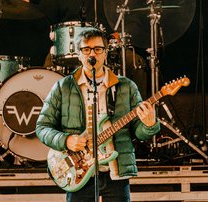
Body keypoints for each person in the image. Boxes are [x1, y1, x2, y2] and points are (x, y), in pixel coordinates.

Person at [35, 29, 160, 202]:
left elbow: (138, 132)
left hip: (115, 172)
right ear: (79, 54)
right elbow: (42, 128)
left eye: (98, 49)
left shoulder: (126, 87)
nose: (92, 54)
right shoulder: (63, 87)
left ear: (106, 53)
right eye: (86, 49)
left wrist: (149, 124)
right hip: (78, 171)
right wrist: (66, 140)